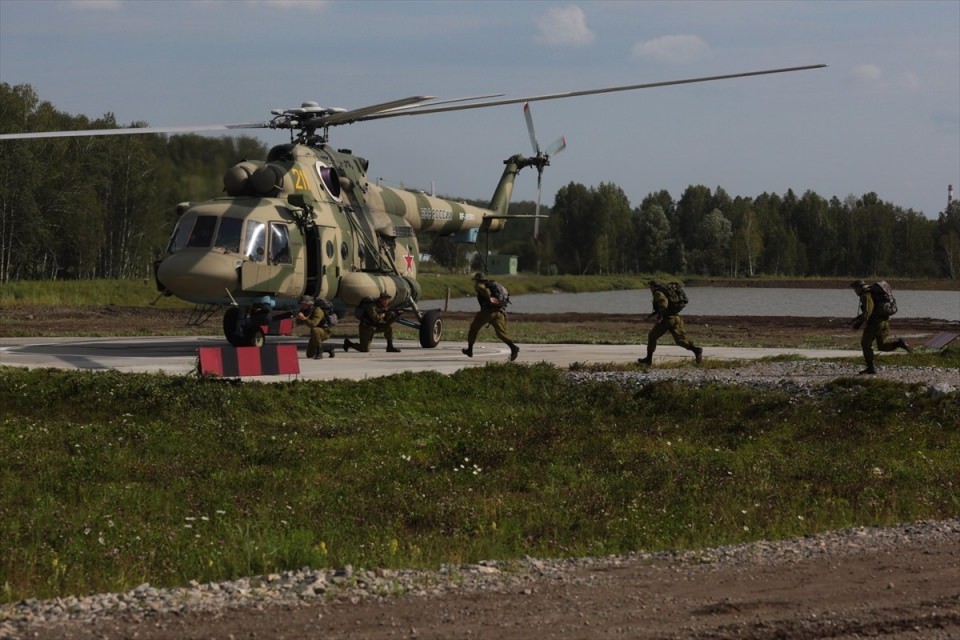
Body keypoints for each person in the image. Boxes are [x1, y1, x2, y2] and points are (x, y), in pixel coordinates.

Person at [849, 280, 911, 374]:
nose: (854, 291)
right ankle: (899, 343)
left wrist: (858, 324)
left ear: (859, 287)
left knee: (865, 344)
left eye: (855, 289)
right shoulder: (873, 293)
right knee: (882, 346)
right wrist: (856, 319)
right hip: (884, 322)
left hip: (875, 324)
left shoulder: (866, 295)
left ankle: (870, 368)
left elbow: (867, 312)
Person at [638, 280, 702, 366]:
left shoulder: (658, 293)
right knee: (680, 340)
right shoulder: (667, 292)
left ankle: (648, 359)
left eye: (650, 286)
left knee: (652, 336)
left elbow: (663, 304)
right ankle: (696, 350)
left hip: (667, 319)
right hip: (676, 318)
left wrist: (660, 316)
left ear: (653, 286)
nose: (650, 289)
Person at [462, 272, 519, 362]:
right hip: (499, 312)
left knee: (474, 328)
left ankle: (470, 350)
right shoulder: (493, 285)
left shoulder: (480, 286)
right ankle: (513, 347)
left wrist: (489, 299)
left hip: (487, 312)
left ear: (477, 280)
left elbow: (484, 290)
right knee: (501, 333)